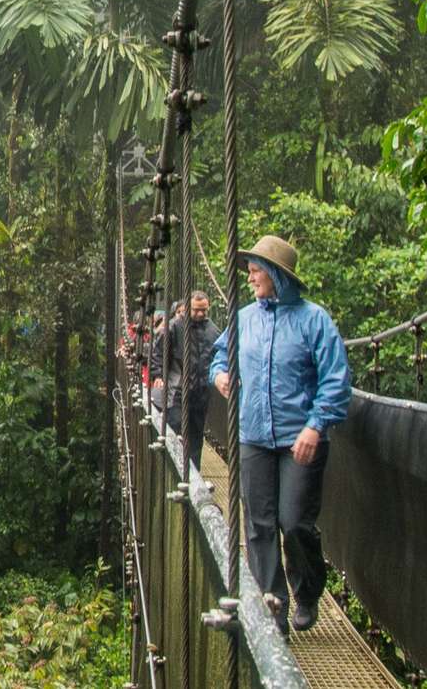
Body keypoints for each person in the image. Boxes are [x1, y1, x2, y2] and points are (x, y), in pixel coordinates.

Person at [210, 235, 350, 635]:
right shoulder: (244, 318)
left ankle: (307, 592)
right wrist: (219, 373)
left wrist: (315, 425)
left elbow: (337, 381)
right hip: (253, 436)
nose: (250, 276)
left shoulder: (314, 321)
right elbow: (220, 355)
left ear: (276, 275)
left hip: (300, 440)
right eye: (250, 269)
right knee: (259, 525)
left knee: (294, 523)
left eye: (256, 270)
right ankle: (273, 609)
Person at [154, 290, 217, 469]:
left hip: (201, 392)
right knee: (176, 434)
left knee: (196, 437)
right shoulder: (174, 327)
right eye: (196, 310)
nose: (200, 314)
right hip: (177, 392)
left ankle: (193, 475)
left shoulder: (213, 330)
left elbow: (220, 357)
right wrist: (158, 375)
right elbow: (158, 353)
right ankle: (174, 474)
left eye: (204, 310)